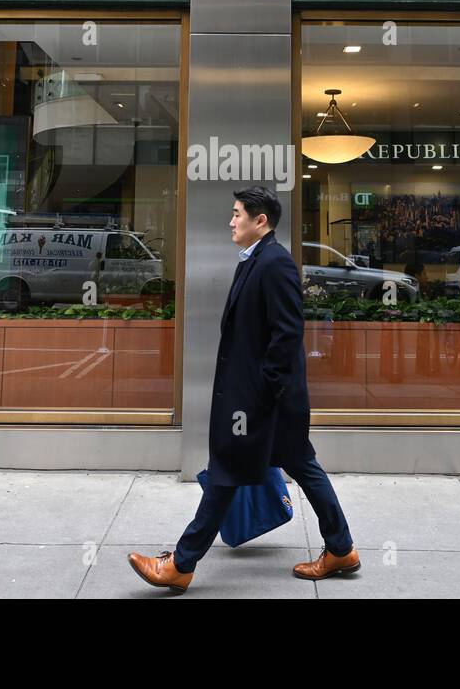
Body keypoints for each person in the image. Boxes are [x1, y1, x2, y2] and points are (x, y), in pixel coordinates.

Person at [128, 186, 358, 594]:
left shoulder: (275, 264)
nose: (231, 221)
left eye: (237, 214)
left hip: (263, 401)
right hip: (269, 399)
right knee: (300, 465)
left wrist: (260, 395)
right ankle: (341, 548)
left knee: (227, 470)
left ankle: (181, 564)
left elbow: (287, 336)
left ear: (260, 221)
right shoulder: (256, 260)